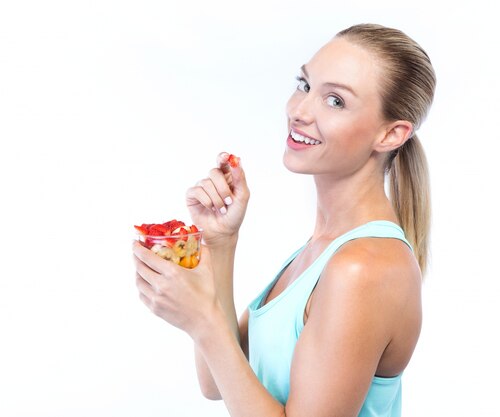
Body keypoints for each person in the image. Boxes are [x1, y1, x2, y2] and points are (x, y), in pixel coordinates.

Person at [133, 23, 436, 417]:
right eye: (305, 85)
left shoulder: (363, 268)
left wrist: (202, 319)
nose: (300, 110)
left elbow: (216, 351)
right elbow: (216, 381)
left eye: (336, 101)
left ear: (391, 134)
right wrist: (222, 242)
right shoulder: (319, 252)